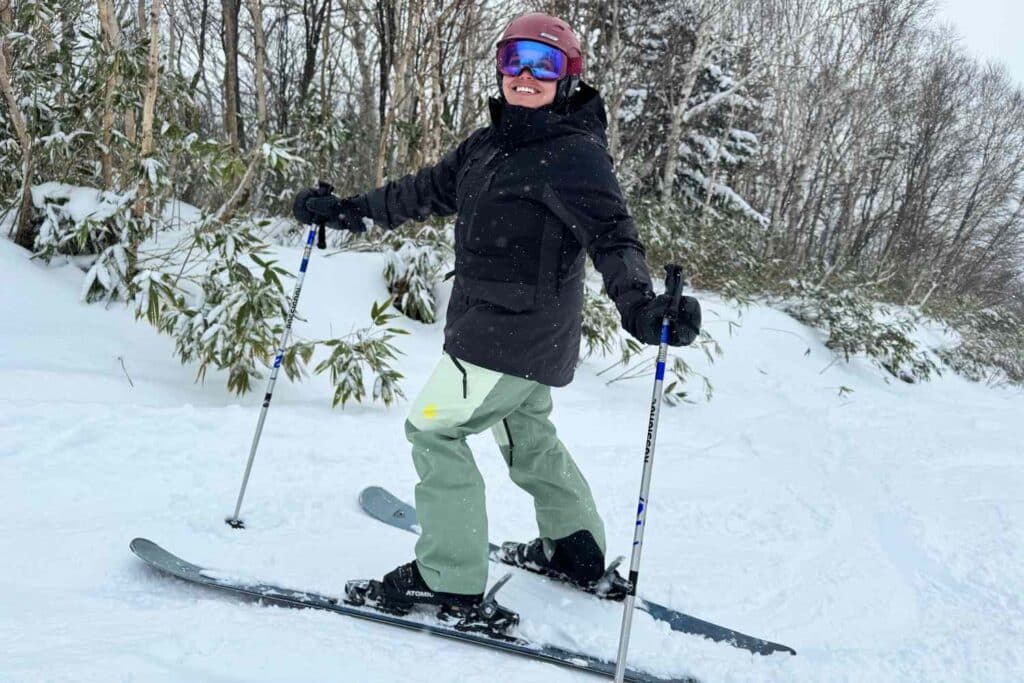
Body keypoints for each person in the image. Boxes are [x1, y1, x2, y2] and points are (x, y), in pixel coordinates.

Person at [293, 12, 701, 633]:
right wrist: (347, 212)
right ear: (501, 69)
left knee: (433, 430)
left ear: (568, 76)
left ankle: (448, 580)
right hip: (515, 334)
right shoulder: (489, 146)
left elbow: (614, 237)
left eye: (545, 64)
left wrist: (642, 307)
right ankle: (573, 549)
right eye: (516, 60)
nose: (527, 76)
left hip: (506, 335)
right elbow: (420, 191)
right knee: (526, 433)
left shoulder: (572, 154)